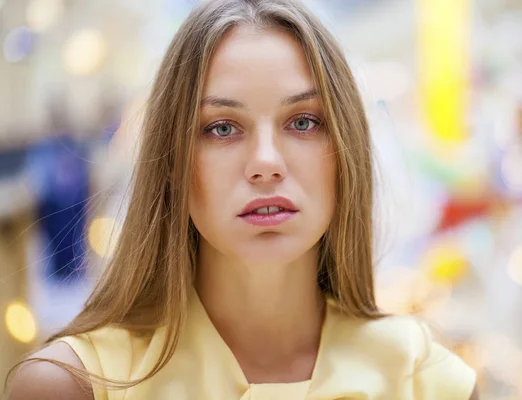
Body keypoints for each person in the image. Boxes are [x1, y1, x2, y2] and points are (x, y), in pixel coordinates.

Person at [6, 0, 477, 398]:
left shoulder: (425, 378)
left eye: (304, 122)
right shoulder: (74, 385)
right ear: (171, 163)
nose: (266, 162)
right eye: (222, 128)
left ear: (346, 150)